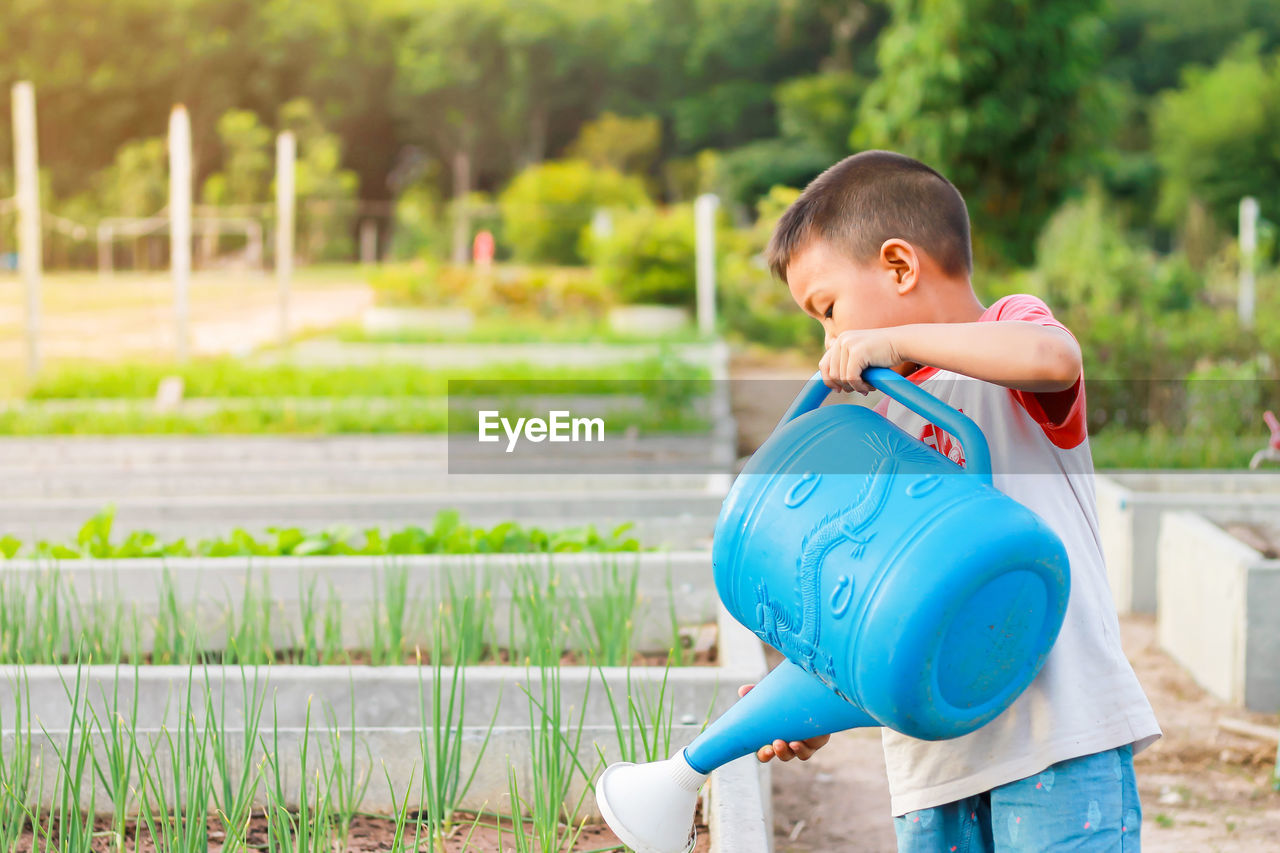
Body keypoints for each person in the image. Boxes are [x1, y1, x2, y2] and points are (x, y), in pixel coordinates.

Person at [737, 150, 1161, 851]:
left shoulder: (1011, 336)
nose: (830, 342)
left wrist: (894, 338)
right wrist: (818, 698)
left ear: (901, 267)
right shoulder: (873, 428)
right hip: (935, 764)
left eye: (829, 311)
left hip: (1059, 736)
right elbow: (877, 605)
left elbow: (1055, 359)